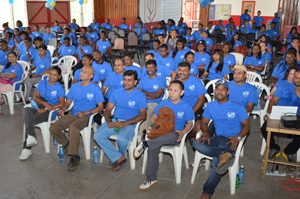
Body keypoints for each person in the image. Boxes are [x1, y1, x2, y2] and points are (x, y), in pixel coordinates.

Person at [192, 80, 249, 199]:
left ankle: (206, 193)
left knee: (216, 162)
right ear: (214, 92)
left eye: (223, 89)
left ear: (228, 92)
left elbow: (247, 126)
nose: (219, 91)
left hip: (231, 140)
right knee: (196, 144)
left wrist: (237, 138)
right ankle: (225, 155)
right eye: (217, 89)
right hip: (217, 138)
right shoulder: (211, 106)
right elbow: (204, 123)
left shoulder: (237, 106)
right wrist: (206, 133)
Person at [134, 80, 194, 190]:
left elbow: (190, 123)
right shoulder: (164, 103)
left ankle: (145, 144)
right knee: (153, 147)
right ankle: (151, 178)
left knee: (170, 136)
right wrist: (150, 126)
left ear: (181, 93)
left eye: (175, 91)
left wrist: (183, 132)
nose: (172, 93)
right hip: (161, 132)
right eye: (170, 90)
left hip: (175, 134)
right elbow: (154, 117)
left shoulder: (186, 106)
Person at [50, 66, 104, 171]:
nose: (81, 73)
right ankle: (67, 144)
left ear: (91, 76)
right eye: (81, 71)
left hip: (87, 116)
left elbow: (100, 106)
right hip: (73, 113)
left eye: (85, 72)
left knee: (73, 127)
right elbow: (68, 102)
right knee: (54, 127)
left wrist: (86, 113)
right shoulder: (75, 86)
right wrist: (64, 109)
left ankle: (74, 156)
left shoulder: (95, 88)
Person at [94, 70, 147, 171]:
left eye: (130, 80)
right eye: (125, 80)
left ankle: (118, 156)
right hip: (116, 121)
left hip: (130, 123)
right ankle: (119, 157)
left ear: (135, 82)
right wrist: (109, 121)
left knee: (121, 141)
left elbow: (143, 115)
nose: (126, 82)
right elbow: (108, 109)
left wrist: (125, 123)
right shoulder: (117, 92)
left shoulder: (140, 95)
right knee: (97, 136)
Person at [19, 67, 65, 160]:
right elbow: (35, 97)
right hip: (40, 105)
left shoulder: (59, 87)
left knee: (28, 120)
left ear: (59, 76)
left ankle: (27, 147)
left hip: (51, 111)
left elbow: (61, 103)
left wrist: (49, 108)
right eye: (50, 74)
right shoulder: (42, 82)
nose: (51, 76)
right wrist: (44, 104)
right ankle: (31, 137)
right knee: (27, 110)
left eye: (55, 75)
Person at [261, 68, 300, 160]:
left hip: (297, 117)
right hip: (280, 113)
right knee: (264, 128)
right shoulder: (284, 86)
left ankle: (290, 151)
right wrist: (269, 114)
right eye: (296, 77)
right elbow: (273, 101)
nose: (297, 80)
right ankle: (273, 147)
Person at [138, 59, 166, 139]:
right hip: (142, 102)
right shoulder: (143, 79)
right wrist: (149, 95)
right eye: (147, 68)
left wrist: (144, 92)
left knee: (145, 118)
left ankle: (140, 137)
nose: (149, 70)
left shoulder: (160, 79)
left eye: (152, 67)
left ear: (156, 68)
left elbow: (158, 95)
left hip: (154, 104)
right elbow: (139, 93)